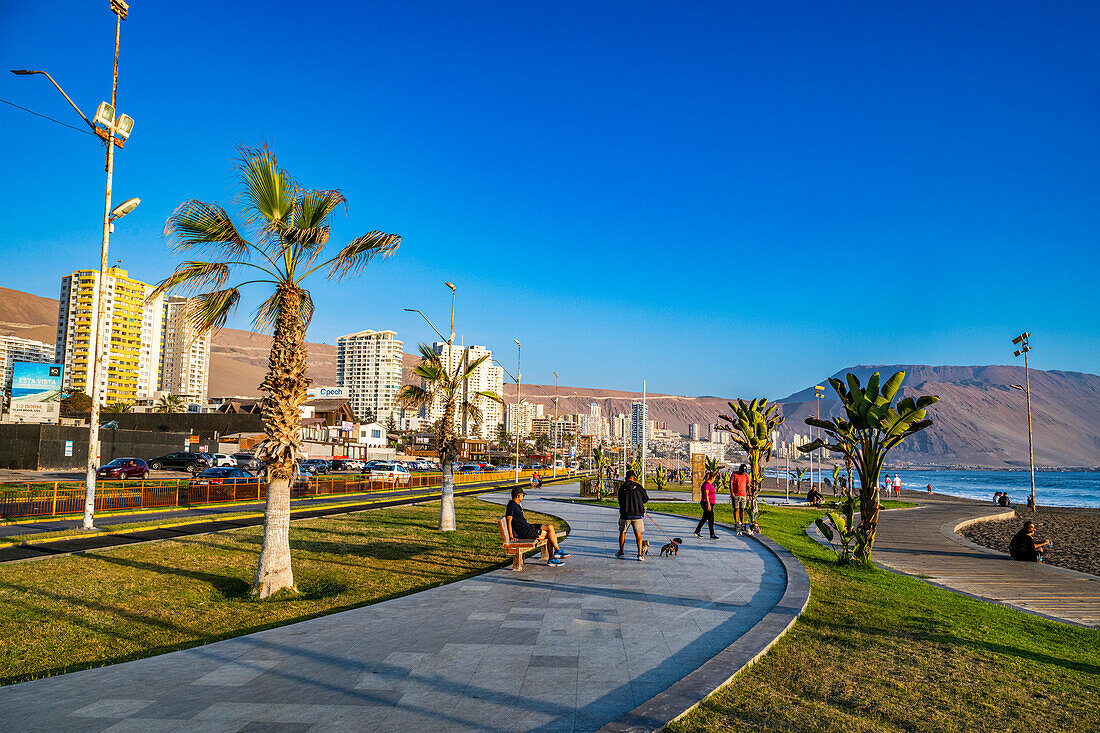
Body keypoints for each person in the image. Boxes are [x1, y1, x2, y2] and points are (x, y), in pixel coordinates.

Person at [505, 486, 568, 565]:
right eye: (523, 495)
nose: (523, 497)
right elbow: (509, 521)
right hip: (526, 532)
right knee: (550, 535)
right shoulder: (511, 505)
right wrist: (511, 536)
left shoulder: (516, 505)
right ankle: (553, 557)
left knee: (550, 527)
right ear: (518, 496)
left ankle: (557, 552)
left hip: (528, 527)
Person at [617, 469, 649, 560]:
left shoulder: (622, 487)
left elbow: (619, 500)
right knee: (638, 535)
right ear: (634, 478)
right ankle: (639, 555)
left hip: (625, 514)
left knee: (622, 533)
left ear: (626, 478)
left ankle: (621, 552)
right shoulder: (639, 487)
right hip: (637, 515)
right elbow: (646, 499)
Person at [694, 471, 719, 539]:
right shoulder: (707, 484)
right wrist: (708, 504)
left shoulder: (709, 484)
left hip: (710, 503)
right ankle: (712, 534)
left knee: (705, 518)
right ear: (711, 478)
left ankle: (697, 531)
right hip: (706, 503)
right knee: (711, 518)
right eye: (714, 478)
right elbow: (706, 495)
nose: (714, 479)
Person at [730, 463, 751, 534]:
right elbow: (731, 484)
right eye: (742, 471)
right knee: (736, 509)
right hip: (736, 494)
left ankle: (742, 523)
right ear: (740, 469)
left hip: (743, 495)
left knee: (742, 509)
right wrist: (732, 493)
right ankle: (736, 523)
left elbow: (748, 485)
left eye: (744, 471)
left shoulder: (746, 476)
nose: (743, 472)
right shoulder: (734, 474)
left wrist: (750, 494)